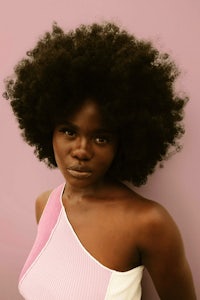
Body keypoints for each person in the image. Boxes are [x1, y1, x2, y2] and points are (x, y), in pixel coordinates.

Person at [4, 22, 196, 299]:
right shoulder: (46, 205)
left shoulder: (149, 223)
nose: (82, 150)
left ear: (124, 141)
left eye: (101, 138)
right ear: (48, 131)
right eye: (69, 131)